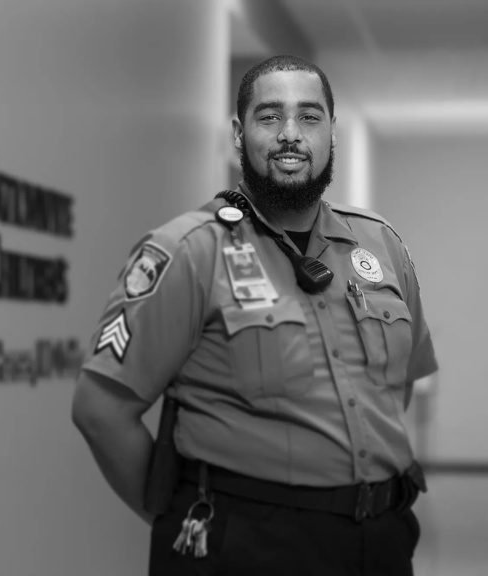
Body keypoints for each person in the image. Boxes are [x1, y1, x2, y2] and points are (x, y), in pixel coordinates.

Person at [71, 55, 438, 576]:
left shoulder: (380, 246)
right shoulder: (189, 251)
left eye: (310, 117)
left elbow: (390, 389)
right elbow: (100, 411)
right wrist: (176, 519)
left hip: (380, 541)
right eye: (270, 117)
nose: (291, 134)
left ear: (333, 135)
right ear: (238, 136)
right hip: (247, 546)